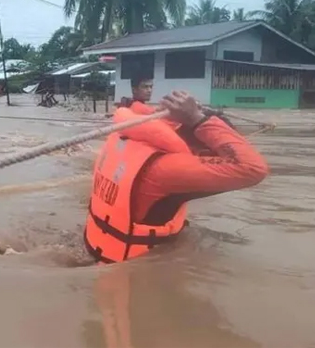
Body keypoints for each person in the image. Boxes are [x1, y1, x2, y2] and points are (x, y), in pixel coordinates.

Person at [84, 90, 269, 264]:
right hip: (138, 268)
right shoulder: (168, 169)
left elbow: (145, 113)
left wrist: (195, 115)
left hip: (98, 248)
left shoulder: (132, 140)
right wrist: (198, 119)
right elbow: (252, 168)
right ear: (203, 149)